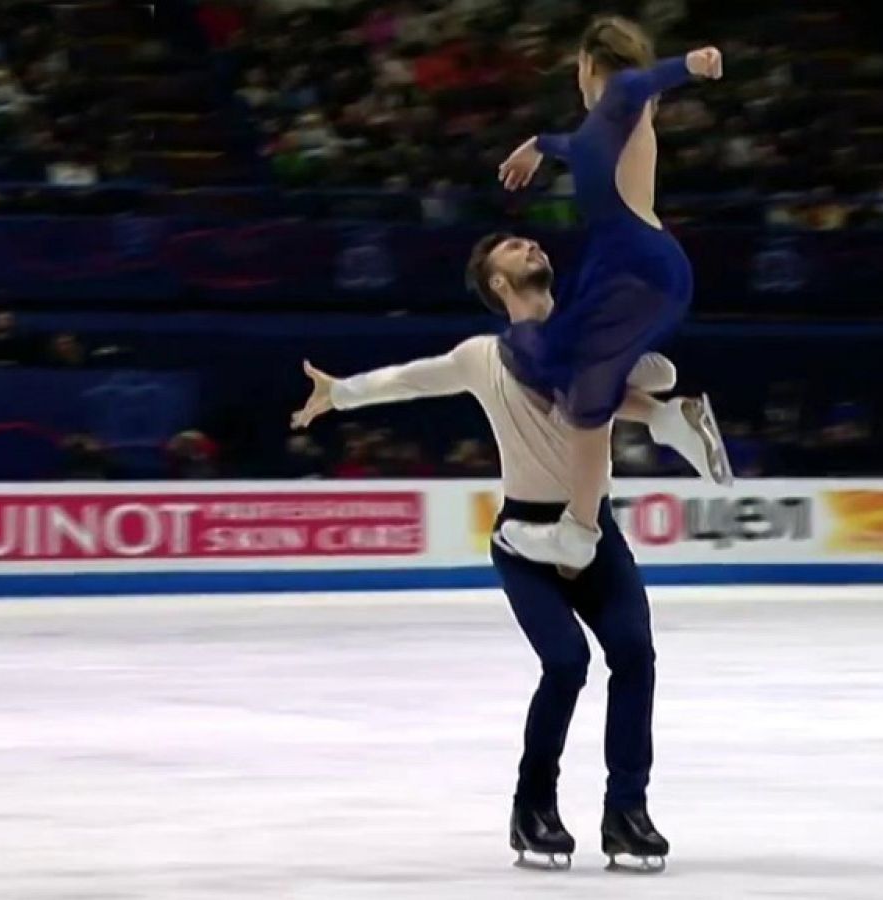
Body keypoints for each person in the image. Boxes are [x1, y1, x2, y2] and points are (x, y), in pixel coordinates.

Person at [289, 234, 720, 873]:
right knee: (567, 662)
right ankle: (533, 806)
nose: (529, 245)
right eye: (513, 248)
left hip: (593, 530)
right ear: (497, 284)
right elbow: (412, 380)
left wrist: (638, 372)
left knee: (634, 654)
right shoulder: (483, 356)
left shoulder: (584, 337)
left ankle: (626, 810)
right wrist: (341, 393)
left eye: (530, 241)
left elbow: (656, 372)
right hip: (524, 539)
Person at [493, 16, 728, 570]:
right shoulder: (604, 124)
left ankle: (578, 530)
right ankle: (666, 414)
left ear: (586, 65)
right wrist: (538, 145)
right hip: (633, 268)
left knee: (580, 395)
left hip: (632, 268)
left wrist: (695, 63)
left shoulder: (623, 94)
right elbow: (573, 144)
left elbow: (647, 80)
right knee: (548, 367)